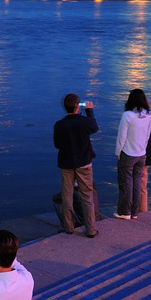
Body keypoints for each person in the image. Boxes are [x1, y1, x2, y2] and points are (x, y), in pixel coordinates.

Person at [53, 93, 99, 238]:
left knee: (67, 196)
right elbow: (95, 127)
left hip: (66, 164)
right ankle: (91, 229)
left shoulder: (59, 125)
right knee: (87, 196)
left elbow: (57, 145)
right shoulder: (85, 122)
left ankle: (68, 227)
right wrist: (90, 111)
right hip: (84, 163)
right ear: (77, 107)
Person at [114, 89, 151, 220]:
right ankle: (134, 212)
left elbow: (122, 137)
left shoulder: (127, 115)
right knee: (137, 183)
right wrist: (143, 150)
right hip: (141, 154)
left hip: (128, 153)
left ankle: (125, 212)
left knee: (126, 183)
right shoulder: (149, 116)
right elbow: (147, 136)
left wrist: (118, 152)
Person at [140, 115, 151, 213]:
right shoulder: (150, 118)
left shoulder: (134, 117)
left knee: (135, 183)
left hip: (139, 155)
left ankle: (135, 209)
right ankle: (143, 209)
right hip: (146, 156)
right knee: (142, 185)